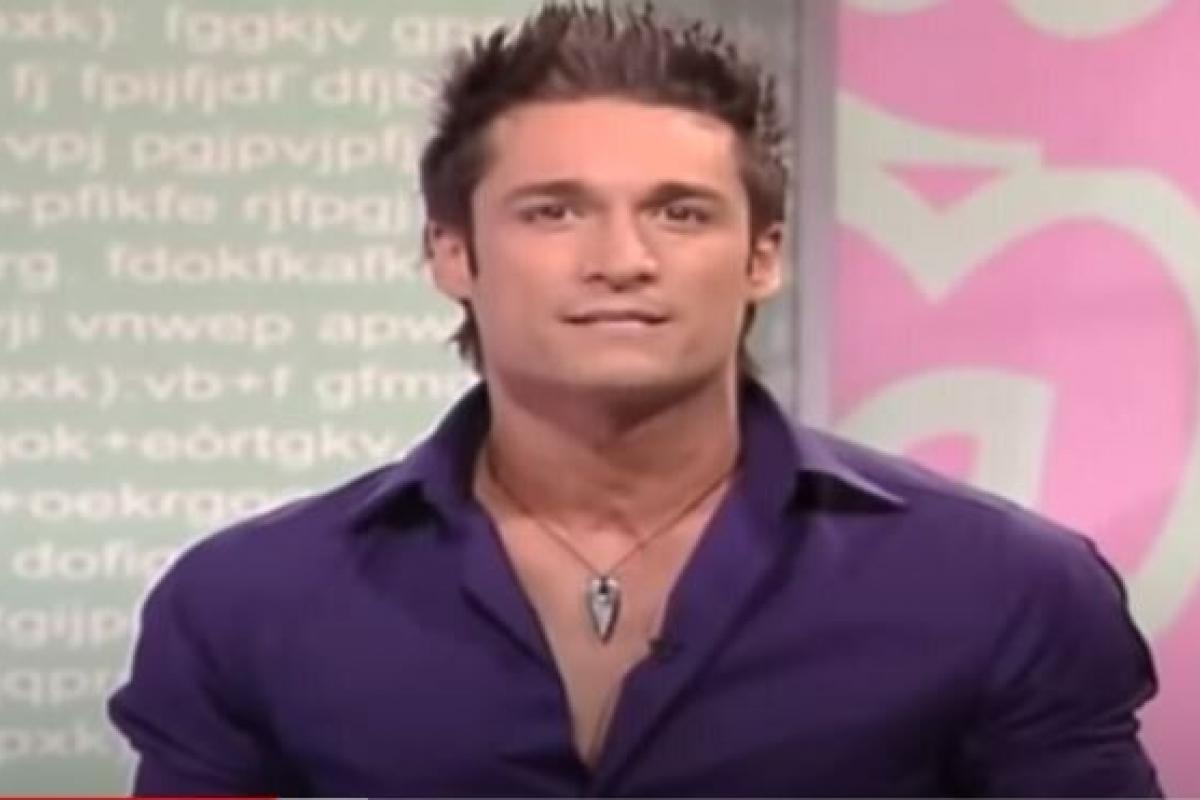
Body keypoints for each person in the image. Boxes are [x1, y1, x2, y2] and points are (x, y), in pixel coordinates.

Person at [107, 2, 1162, 796]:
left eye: (681, 213)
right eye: (554, 211)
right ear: (452, 252)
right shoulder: (246, 603)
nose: (622, 259)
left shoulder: (1005, 588)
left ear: (762, 257)